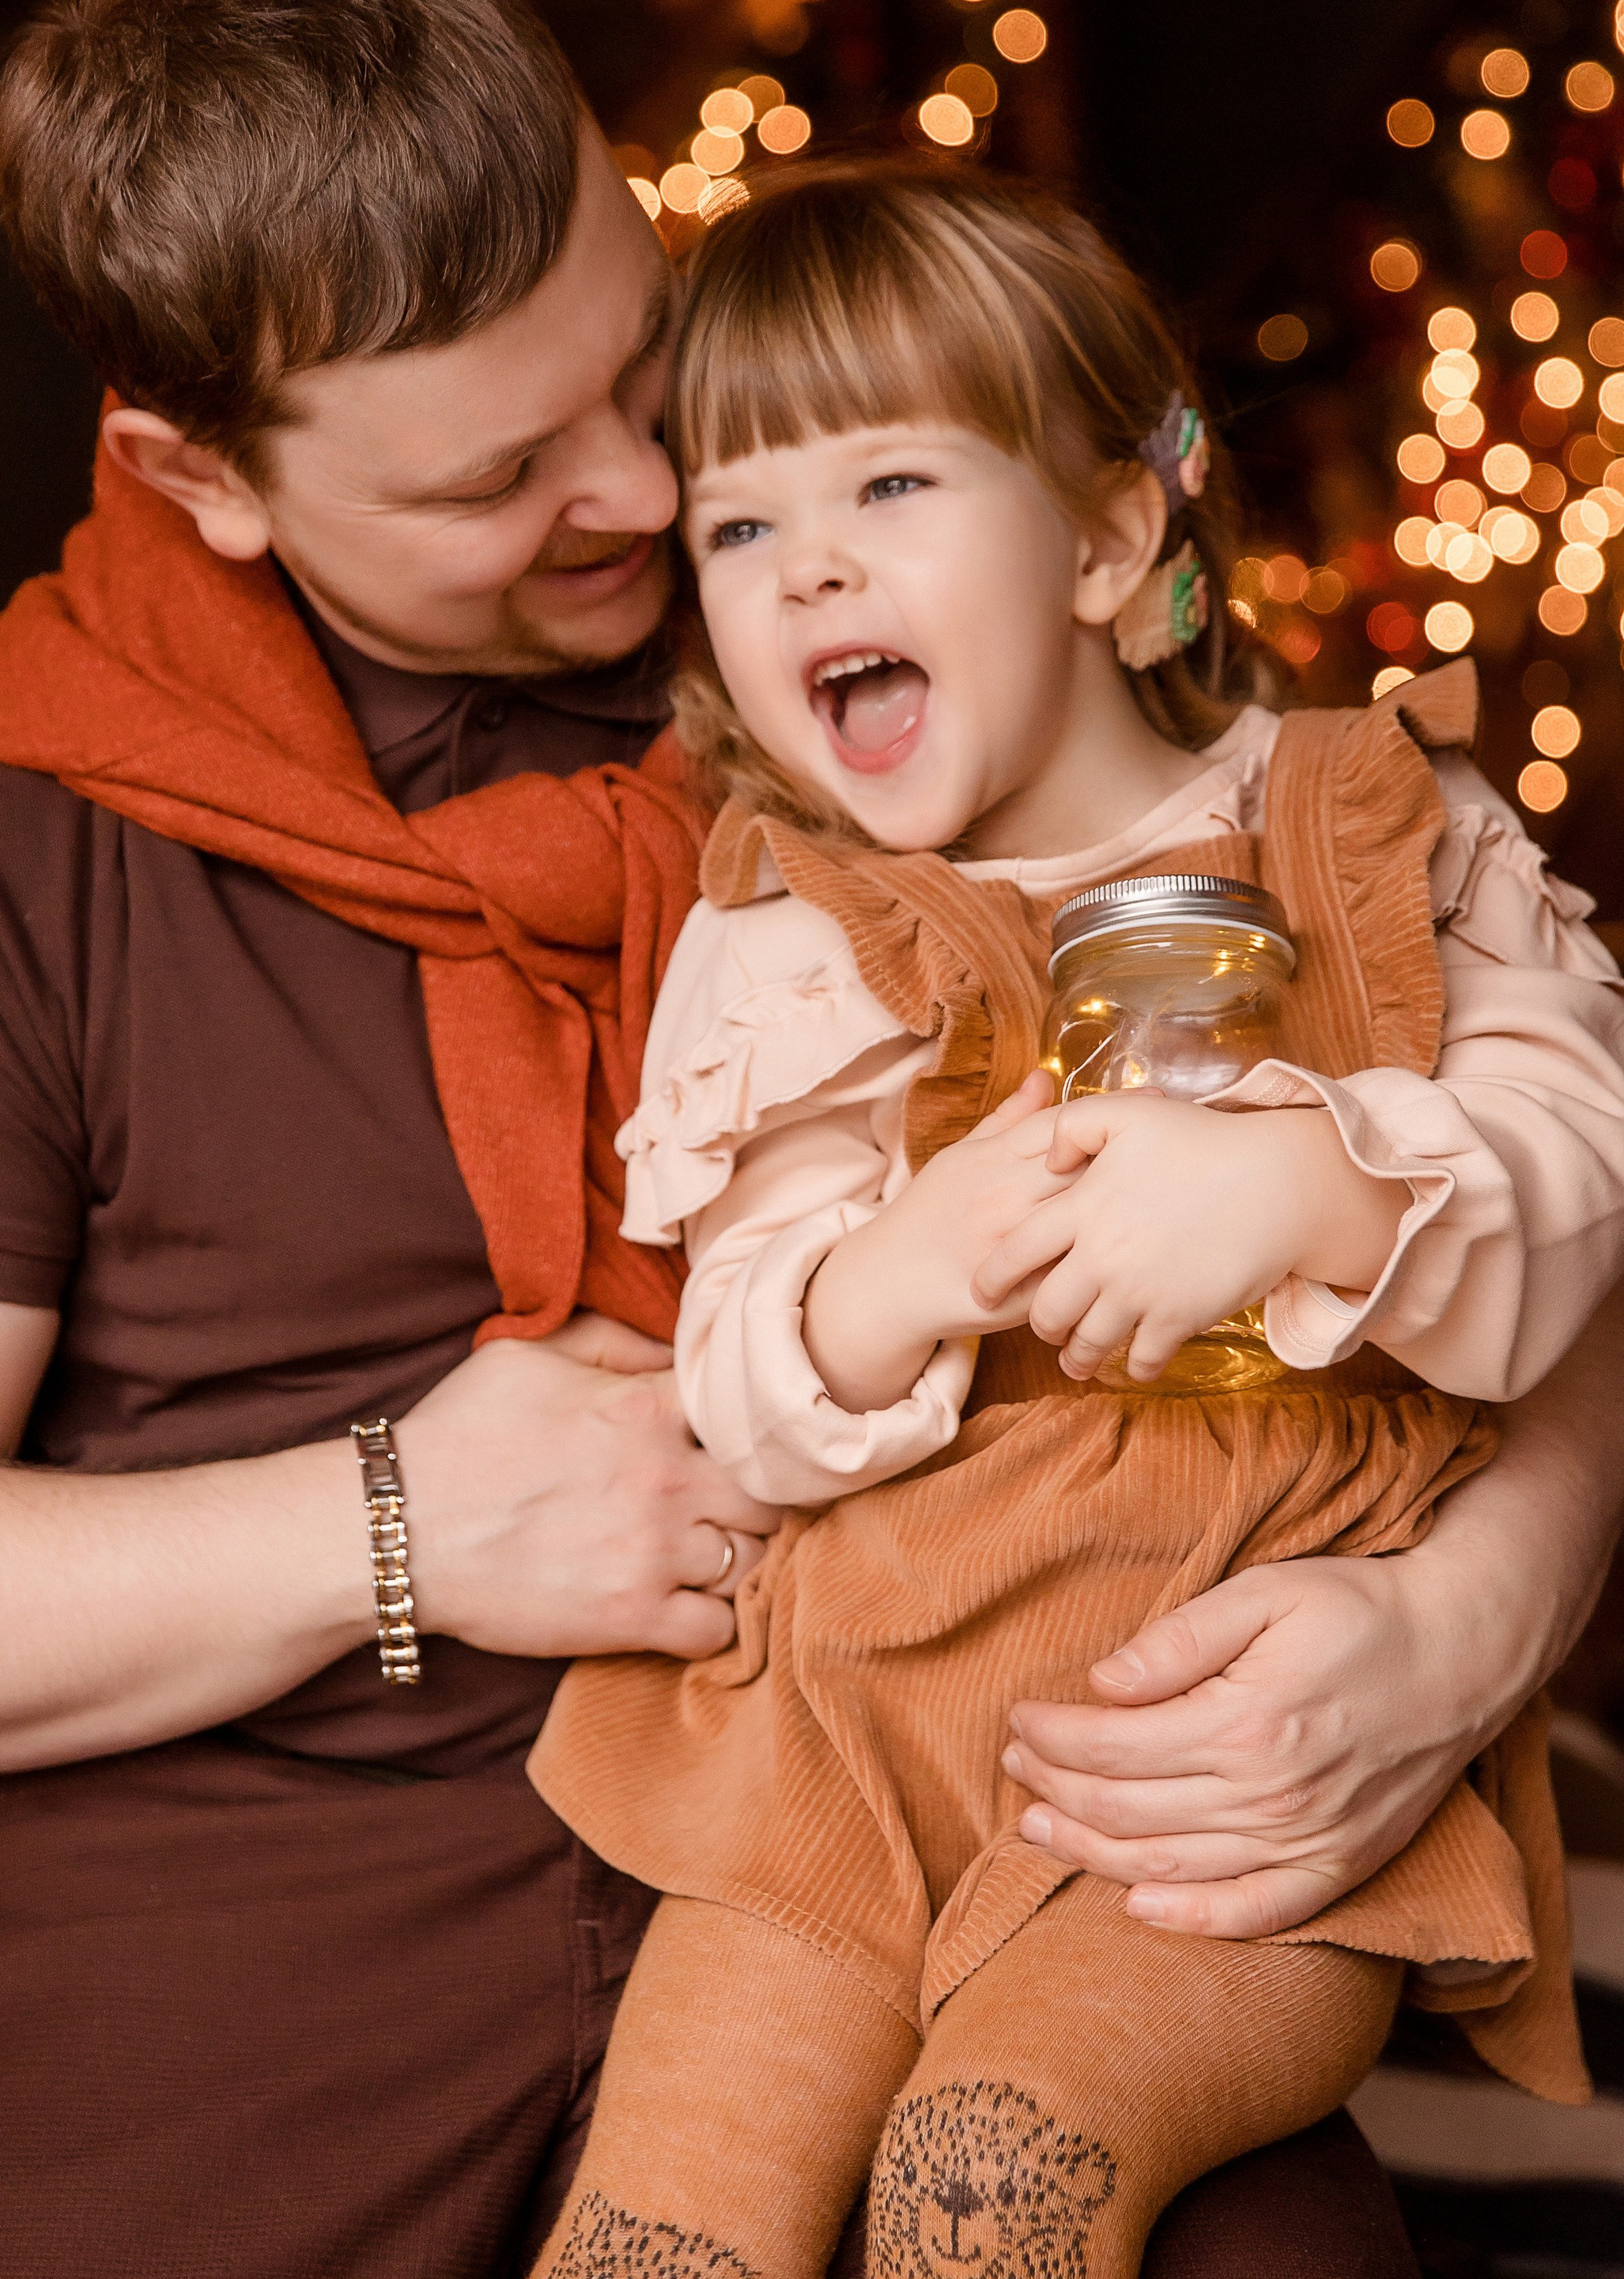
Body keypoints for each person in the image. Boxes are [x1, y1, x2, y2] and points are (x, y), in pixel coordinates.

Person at [0, 0, 1622, 2279]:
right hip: (248, 1988)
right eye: (493, 478)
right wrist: (386, 1522)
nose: (658, 508)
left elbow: (1489, 1127)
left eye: (634, 362)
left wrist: (1474, 1610)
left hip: (1006, 1866)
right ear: (197, 476)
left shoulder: (898, 601)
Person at [525, 164, 1624, 2279]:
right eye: (740, 523)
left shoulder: (1378, 828)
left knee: (989, 2171)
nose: (806, 560)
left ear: (1114, 540)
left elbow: (1576, 1163)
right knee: (661, 2234)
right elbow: (740, 1379)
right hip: (834, 1753)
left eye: (891, 484)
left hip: (1197, 1768)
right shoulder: (787, 935)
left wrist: (1310, 1178)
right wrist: (891, 1274)